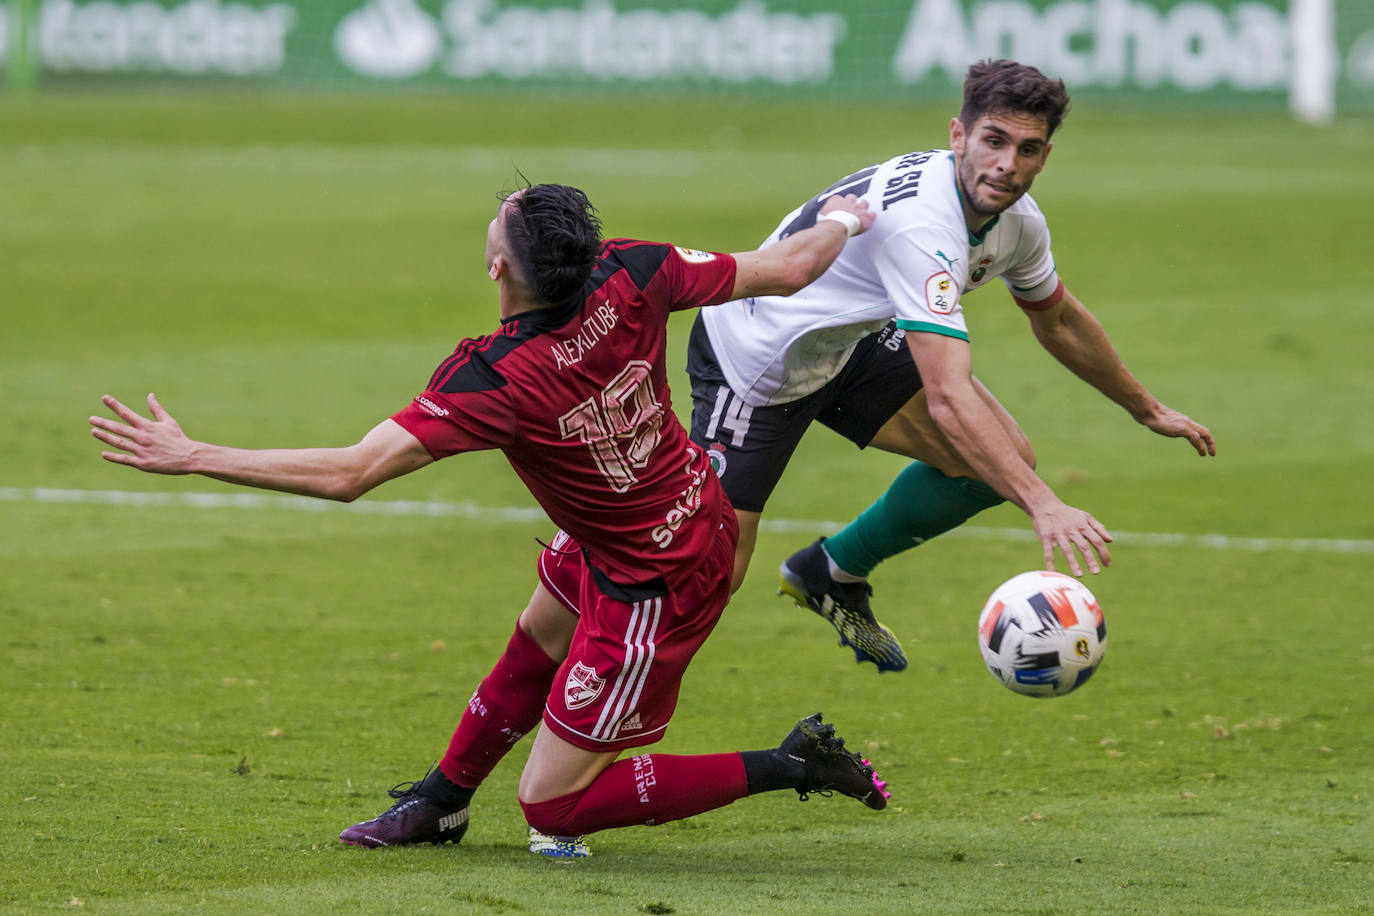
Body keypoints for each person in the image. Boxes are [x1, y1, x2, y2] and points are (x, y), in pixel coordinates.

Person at [90, 183, 890, 852]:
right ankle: (442, 803)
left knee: (553, 809)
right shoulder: (633, 270)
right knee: (535, 642)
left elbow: (349, 473)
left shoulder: (498, 379)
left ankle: (794, 763)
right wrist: (845, 219)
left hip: (662, 577)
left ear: (498, 263)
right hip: (645, 519)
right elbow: (788, 269)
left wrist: (195, 454)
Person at [686, 59, 1215, 673]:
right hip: (758, 361)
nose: (1006, 165)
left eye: (1028, 148)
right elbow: (948, 398)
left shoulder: (1017, 225)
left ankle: (828, 573)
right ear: (958, 136)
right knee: (709, 578)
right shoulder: (924, 226)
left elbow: (1059, 320)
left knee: (996, 463)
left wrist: (1144, 408)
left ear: (1045, 157)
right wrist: (1044, 504)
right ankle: (586, 670)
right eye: (993, 141)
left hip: (846, 342)